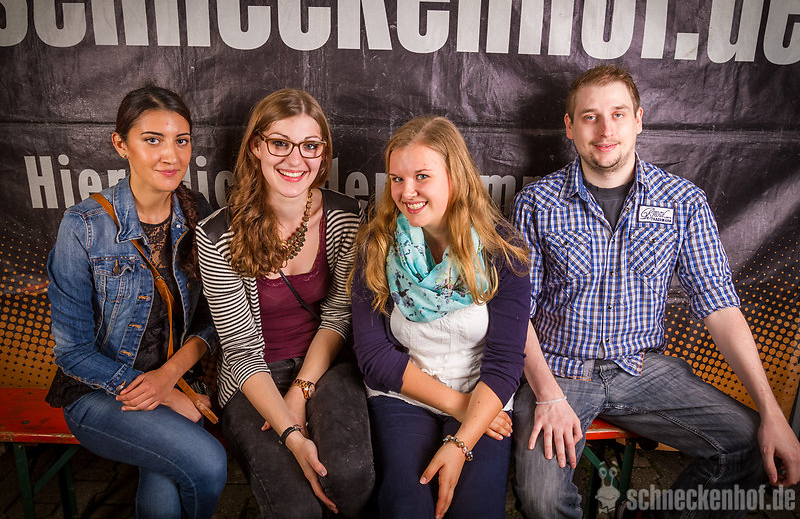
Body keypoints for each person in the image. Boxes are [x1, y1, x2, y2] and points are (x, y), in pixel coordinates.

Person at [511, 65, 800, 518]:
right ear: (569, 126)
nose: (605, 130)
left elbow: (720, 306)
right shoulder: (537, 203)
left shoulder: (682, 201)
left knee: (749, 444)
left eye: (618, 114)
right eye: (589, 116)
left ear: (638, 120)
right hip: (558, 371)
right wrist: (547, 395)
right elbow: (516, 313)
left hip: (642, 368)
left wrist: (773, 414)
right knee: (541, 500)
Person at [45, 85, 227, 519]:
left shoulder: (197, 212)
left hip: (177, 382)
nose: (171, 155)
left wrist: (169, 378)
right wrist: (160, 394)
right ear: (120, 144)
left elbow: (211, 321)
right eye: (152, 140)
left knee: (167, 473)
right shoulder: (83, 226)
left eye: (181, 141)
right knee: (206, 462)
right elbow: (73, 352)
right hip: (99, 393)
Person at [196, 88, 374, 519]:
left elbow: (338, 316)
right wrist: (293, 435)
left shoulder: (347, 216)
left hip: (326, 366)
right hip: (251, 378)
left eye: (310, 146)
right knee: (296, 508)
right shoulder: (217, 234)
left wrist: (301, 390)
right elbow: (241, 350)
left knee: (349, 475)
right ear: (256, 147)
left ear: (323, 153)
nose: (296, 160)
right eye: (280, 143)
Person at [350, 116, 531, 519]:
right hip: (403, 393)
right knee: (406, 504)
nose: (406, 192)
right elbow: (375, 358)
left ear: (455, 177)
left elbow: (505, 362)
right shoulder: (376, 246)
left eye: (422, 177)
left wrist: (463, 439)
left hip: (483, 393)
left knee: (475, 509)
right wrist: (461, 408)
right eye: (397, 179)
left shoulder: (503, 250)